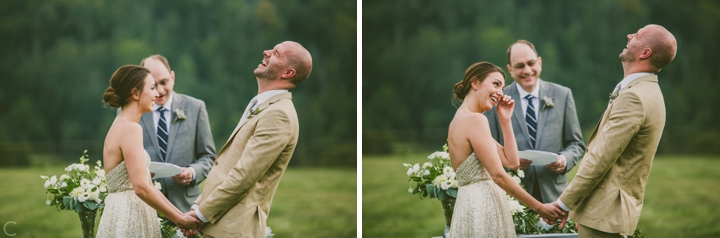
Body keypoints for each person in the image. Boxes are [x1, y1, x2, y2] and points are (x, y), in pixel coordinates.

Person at [550, 24, 677, 237]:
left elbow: (601, 158)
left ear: (645, 53)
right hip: (606, 212)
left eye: (636, 35)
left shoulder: (634, 97)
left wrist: (564, 204)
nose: (628, 35)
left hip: (605, 214)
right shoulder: (649, 92)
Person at [181, 41, 312, 237]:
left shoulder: (279, 115)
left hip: (233, 228)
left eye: (276, 53)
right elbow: (225, 166)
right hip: (218, 224)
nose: (266, 52)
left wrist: (200, 215)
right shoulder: (263, 105)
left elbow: (244, 176)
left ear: (288, 73)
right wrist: (198, 207)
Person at [446, 62, 565, 237]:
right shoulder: (475, 121)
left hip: (468, 207)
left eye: (502, 87)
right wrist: (540, 208)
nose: (501, 93)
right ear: (475, 83)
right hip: (482, 208)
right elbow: (499, 176)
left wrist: (505, 120)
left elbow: (512, 162)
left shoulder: (460, 119)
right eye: (496, 84)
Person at [97, 65, 201, 237]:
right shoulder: (131, 129)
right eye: (152, 88)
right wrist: (179, 219)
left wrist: (181, 215)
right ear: (135, 94)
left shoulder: (120, 125)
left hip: (118, 212)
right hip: (130, 215)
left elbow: (144, 183)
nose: (157, 94)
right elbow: (141, 187)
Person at [483, 40, 586, 203]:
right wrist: (509, 162)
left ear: (540, 63)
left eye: (531, 63)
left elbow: (576, 144)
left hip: (555, 196)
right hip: (512, 197)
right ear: (510, 70)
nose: (527, 70)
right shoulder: (496, 100)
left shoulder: (562, 95)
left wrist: (563, 160)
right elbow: (488, 148)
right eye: (519, 66)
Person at [138, 55, 216, 215]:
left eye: (164, 82)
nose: (159, 91)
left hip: (185, 207)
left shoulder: (196, 107)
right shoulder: (131, 111)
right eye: (153, 85)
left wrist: (192, 172)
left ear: (172, 77)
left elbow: (208, 157)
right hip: (144, 209)